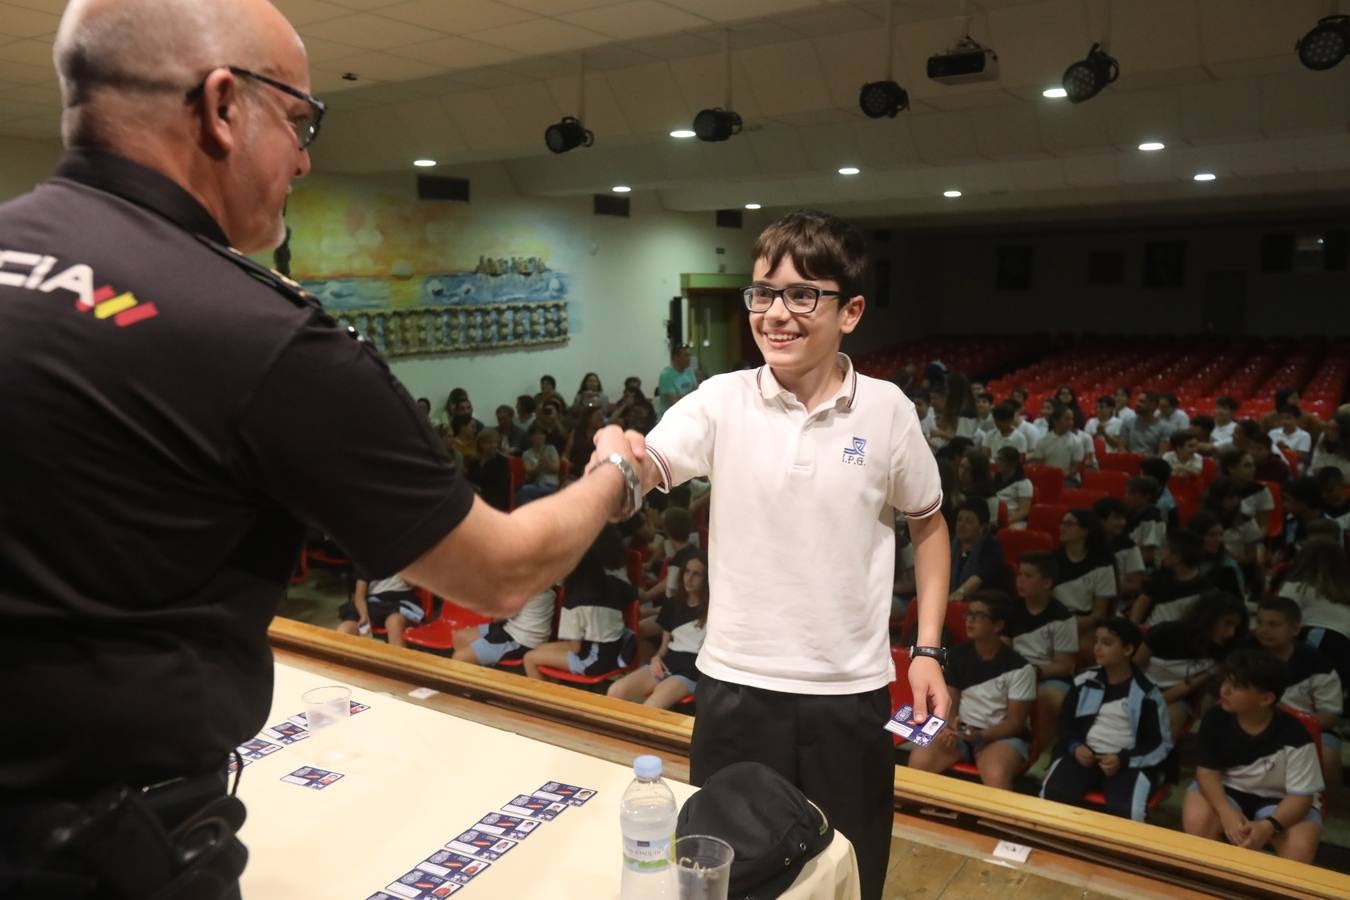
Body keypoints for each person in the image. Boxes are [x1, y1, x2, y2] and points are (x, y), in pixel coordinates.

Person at [0, 1, 646, 894]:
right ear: (224, 105)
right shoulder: (254, 332)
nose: (305, 157)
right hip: (95, 849)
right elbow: (499, 571)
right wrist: (613, 474)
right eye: (299, 119)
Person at [629, 210, 950, 900]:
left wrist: (926, 651)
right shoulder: (722, 400)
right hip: (737, 687)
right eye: (762, 293)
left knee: (849, 877)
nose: (776, 313)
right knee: (722, 878)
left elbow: (928, 525)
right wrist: (617, 465)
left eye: (802, 294)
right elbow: (650, 464)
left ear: (851, 311)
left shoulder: (888, 410)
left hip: (848, 692)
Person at [1182, 650, 1323, 863]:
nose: (1225, 691)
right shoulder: (1215, 718)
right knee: (1197, 819)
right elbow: (1207, 773)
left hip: (1280, 801)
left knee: (1300, 847)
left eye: (1237, 686)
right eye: (1225, 682)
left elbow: (1301, 797)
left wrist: (1269, 826)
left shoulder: (1295, 734)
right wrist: (1226, 812)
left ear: (1266, 698)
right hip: (1228, 792)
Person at [1040, 618, 1171, 821]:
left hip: (1127, 764)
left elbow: (1160, 744)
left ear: (1128, 650)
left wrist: (1123, 759)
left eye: (1107, 643)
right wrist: (1075, 747)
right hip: (1084, 756)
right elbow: (1066, 724)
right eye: (1097, 642)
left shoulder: (1147, 694)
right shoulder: (1084, 681)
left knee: (1128, 813)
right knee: (1052, 797)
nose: (1098, 648)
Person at [907, 593, 1036, 791]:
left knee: (996, 773)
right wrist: (948, 727)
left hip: (1000, 737)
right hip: (960, 732)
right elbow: (949, 699)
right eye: (969, 614)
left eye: (978, 616)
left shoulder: (1020, 668)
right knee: (919, 759)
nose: (970, 620)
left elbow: (1015, 723)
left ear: (998, 625)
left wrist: (980, 736)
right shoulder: (957, 655)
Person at [1249, 598, 1343, 788]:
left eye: (1274, 624)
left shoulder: (1316, 663)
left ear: (1295, 629)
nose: (1264, 629)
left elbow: (1329, 716)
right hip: (1252, 722)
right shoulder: (1246, 655)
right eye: (1260, 622)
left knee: (1328, 757)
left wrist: (1289, 723)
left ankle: (1331, 808)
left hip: (1307, 726)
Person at [524, 526, 637, 680]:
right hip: (616, 654)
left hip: (593, 662)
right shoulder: (616, 584)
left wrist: (544, 648)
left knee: (530, 658)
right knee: (545, 652)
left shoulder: (574, 598)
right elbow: (636, 599)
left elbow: (574, 648)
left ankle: (540, 703)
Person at [1134, 590, 1247, 740]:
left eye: (1235, 627)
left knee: (1164, 723)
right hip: (1139, 688)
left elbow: (1190, 688)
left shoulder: (1227, 651)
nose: (1231, 633)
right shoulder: (1166, 632)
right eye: (1227, 623)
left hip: (1178, 697)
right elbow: (1132, 669)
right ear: (1208, 617)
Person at [608, 553, 709, 709]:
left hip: (691, 672)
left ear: (706, 578)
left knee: (650, 706)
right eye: (687, 572)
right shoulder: (673, 604)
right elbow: (663, 648)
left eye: (696, 574)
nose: (689, 578)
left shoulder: (713, 610)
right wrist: (656, 659)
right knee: (615, 691)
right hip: (667, 664)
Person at [1006, 553, 1077, 751]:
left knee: (1051, 697)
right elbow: (1003, 648)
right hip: (1014, 670)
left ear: (1046, 582)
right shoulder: (1010, 609)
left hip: (1047, 675)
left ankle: (1044, 752)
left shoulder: (1063, 617)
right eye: (1019, 575)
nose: (1020, 581)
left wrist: (1034, 672)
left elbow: (1065, 665)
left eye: (1028, 576)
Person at [451, 587, 556, 667]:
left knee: (460, 658)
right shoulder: (537, 578)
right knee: (460, 637)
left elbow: (498, 617)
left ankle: (466, 691)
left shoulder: (524, 583)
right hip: (510, 629)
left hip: (522, 641)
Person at [1129, 529, 1211, 626]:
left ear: (1177, 556)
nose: (1162, 553)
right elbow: (1142, 602)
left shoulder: (1204, 588)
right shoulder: (1159, 577)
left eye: (1166, 549)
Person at [1052, 510, 1117, 626]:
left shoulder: (1103, 564)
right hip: (1054, 621)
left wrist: (1071, 626)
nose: (1062, 528)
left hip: (1085, 623)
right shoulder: (1052, 560)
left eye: (1069, 524)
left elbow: (1099, 614)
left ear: (1085, 531)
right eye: (1061, 523)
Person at [335, 572, 425, 648]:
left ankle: (398, 665)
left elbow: (414, 583)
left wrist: (400, 563)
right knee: (344, 629)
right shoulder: (365, 565)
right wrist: (364, 615)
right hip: (374, 604)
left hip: (401, 601)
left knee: (394, 622)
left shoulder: (404, 559)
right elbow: (359, 596)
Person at [949, 499, 1005, 599]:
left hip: (982, 603)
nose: (961, 525)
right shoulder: (952, 544)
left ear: (982, 527)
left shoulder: (991, 546)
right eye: (959, 520)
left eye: (968, 522)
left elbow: (978, 577)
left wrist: (958, 594)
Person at [1093, 497, 1148, 597]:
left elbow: (1136, 584)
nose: (1123, 523)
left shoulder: (1128, 546)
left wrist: (1101, 587)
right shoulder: (1086, 543)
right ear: (1100, 520)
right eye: (1117, 518)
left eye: (1123, 518)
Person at [1029, 406, 1085, 483]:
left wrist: (1059, 476)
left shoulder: (1077, 441)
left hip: (1069, 479)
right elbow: (1039, 464)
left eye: (1071, 419)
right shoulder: (1043, 441)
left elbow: (1075, 468)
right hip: (1047, 478)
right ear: (1055, 420)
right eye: (1066, 419)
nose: (1070, 422)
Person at [467, 428, 511, 512]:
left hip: (494, 501)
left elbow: (500, 487)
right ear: (480, 444)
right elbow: (469, 480)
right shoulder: (474, 461)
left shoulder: (502, 462)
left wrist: (480, 492)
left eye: (495, 442)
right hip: (475, 498)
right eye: (489, 442)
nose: (493, 445)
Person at [1113, 391, 1167, 456]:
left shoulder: (1163, 428)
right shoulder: (1127, 422)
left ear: (1153, 406)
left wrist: (1145, 459)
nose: (1137, 404)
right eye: (1138, 401)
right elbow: (1121, 447)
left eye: (1142, 402)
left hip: (1152, 464)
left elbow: (1162, 455)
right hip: (1130, 461)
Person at [991, 445, 1033, 528]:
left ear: (1012, 463)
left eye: (1001, 460)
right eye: (997, 459)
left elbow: (1024, 511)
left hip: (1014, 520)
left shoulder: (1024, 483)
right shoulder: (992, 478)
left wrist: (1004, 522)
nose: (997, 463)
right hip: (994, 517)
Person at [657, 344, 698, 418]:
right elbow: (675, 403)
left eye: (689, 355)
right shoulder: (666, 375)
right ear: (676, 357)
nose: (689, 358)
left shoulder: (689, 371)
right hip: (671, 417)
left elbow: (696, 392)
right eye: (686, 355)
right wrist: (691, 397)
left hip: (688, 412)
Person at [1310, 412, 1350, 480]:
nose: (1330, 432)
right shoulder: (1323, 439)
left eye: (1335, 429)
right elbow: (1315, 466)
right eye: (1328, 428)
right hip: (1322, 480)